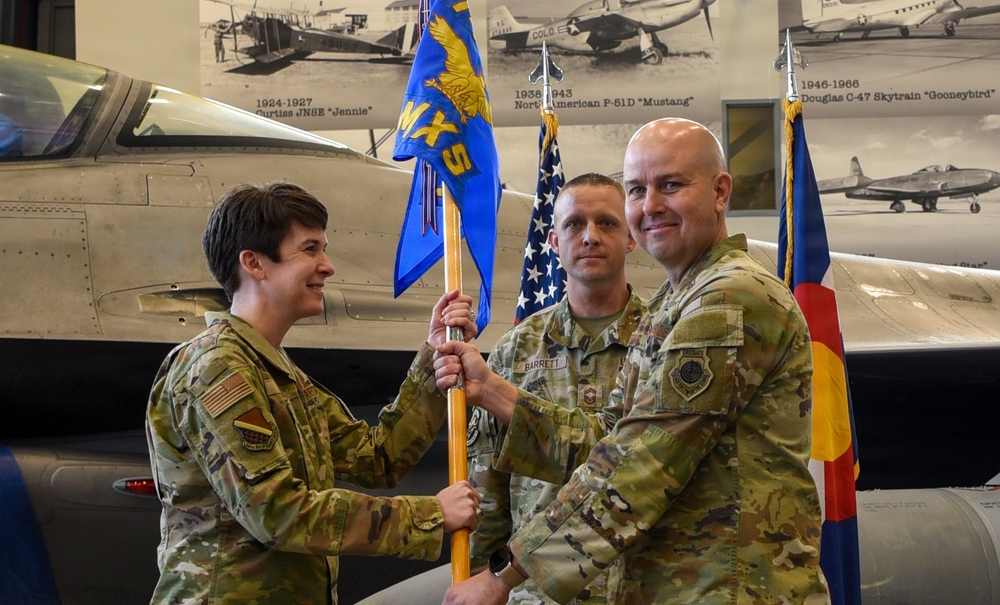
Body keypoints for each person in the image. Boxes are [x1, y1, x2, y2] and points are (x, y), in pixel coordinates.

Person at [435, 119, 830, 604]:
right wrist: (492, 391)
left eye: (671, 185)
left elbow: (643, 462)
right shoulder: (671, 305)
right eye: (638, 190)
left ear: (720, 192)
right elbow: (607, 441)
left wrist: (504, 575)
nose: (651, 206)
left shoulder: (729, 297)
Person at [146, 181, 481, 605]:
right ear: (254, 263)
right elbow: (276, 512)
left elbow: (378, 458)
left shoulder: (278, 375)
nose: (327, 266)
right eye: (309, 249)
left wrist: (435, 359)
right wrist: (431, 515)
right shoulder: (217, 368)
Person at [467, 173, 645, 604]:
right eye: (574, 224)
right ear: (553, 241)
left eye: (607, 223)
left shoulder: (661, 339)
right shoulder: (516, 350)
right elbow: (488, 483)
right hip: (536, 592)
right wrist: (481, 576)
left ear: (630, 239)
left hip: (639, 586)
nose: (590, 237)